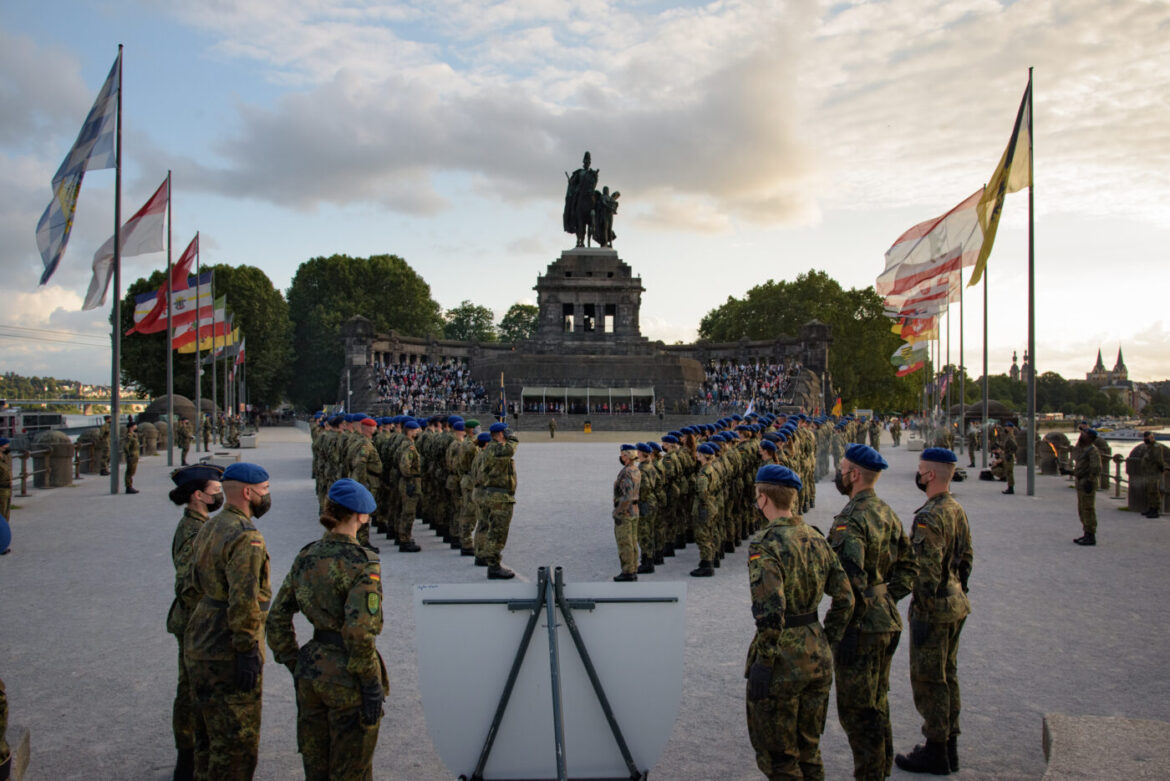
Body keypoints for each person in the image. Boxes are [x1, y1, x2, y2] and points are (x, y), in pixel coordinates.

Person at [267, 479, 388, 781]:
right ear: (361, 516)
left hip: (311, 668)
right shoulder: (363, 564)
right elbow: (360, 633)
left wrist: (294, 660)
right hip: (347, 674)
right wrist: (370, 682)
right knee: (351, 770)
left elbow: (277, 616)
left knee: (316, 765)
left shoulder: (307, 555)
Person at [745, 464, 853, 780]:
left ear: (763, 498)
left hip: (782, 658)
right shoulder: (816, 537)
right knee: (809, 750)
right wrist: (826, 640)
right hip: (816, 651)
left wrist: (764, 661)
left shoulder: (765, 544)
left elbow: (771, 611)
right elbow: (846, 598)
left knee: (780, 759)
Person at [828, 444, 917, 781]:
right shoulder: (885, 511)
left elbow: (846, 587)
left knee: (858, 712)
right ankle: (880, 769)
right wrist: (884, 597)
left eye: (841, 467)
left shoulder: (850, 520)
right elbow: (909, 567)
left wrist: (836, 631)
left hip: (860, 627)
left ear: (854, 474)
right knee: (876, 703)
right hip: (883, 620)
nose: (838, 473)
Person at [182, 462, 273, 781]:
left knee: (206, 739)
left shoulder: (209, 525)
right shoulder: (247, 537)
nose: (267, 496)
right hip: (227, 647)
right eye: (264, 491)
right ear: (248, 493)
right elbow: (244, 600)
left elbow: (193, 582)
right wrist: (248, 650)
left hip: (201, 637)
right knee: (236, 746)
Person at [895, 448, 973, 775]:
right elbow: (966, 558)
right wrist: (957, 588)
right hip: (955, 601)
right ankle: (949, 745)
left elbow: (924, 572)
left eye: (920, 469)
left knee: (930, 680)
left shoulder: (929, 516)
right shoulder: (955, 508)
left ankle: (936, 750)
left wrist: (924, 609)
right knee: (948, 675)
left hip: (934, 608)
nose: (918, 473)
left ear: (930, 475)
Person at [165, 463, 225, 781]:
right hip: (194, 622)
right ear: (198, 496)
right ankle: (186, 760)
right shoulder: (193, 531)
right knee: (190, 690)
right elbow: (187, 583)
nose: (220, 496)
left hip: (197, 621)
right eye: (216, 492)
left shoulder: (200, 525)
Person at [477, 422, 518, 579]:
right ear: (500, 434)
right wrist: (512, 437)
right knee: (498, 532)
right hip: (499, 497)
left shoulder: (491, 448)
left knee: (495, 530)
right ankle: (493, 566)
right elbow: (510, 449)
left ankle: (492, 562)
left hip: (496, 495)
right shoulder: (496, 448)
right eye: (505, 432)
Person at [612, 444, 642, 582]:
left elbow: (626, 497)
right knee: (632, 541)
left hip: (626, 512)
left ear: (627, 456)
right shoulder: (636, 470)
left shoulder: (626, 473)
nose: (621, 457)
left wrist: (618, 512)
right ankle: (633, 568)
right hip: (634, 511)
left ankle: (628, 571)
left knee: (625, 542)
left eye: (623, 454)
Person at [1072, 429, 1101, 546]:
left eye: (1084, 434)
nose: (1081, 435)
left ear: (1089, 437)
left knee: (1088, 509)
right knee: (1082, 509)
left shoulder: (1093, 451)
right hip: (1081, 481)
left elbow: (1096, 467)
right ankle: (1086, 533)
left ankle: (1091, 535)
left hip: (1087, 482)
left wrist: (1090, 480)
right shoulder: (1084, 449)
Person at [1141, 431, 1164, 519]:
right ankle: (1151, 508)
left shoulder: (1156, 447)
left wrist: (1161, 469)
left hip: (1154, 473)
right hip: (1148, 473)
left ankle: (1155, 510)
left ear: (1151, 437)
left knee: (1154, 491)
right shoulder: (1149, 447)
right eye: (1144, 438)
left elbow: (1158, 459)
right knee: (1149, 491)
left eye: (1147, 438)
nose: (1145, 439)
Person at [123, 419, 141, 494]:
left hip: (135, 456)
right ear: (131, 427)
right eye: (135, 425)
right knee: (129, 472)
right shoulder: (129, 436)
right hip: (132, 456)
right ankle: (128, 487)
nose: (136, 426)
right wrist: (129, 454)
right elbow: (125, 446)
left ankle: (130, 486)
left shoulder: (134, 434)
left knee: (132, 472)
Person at [1001, 421, 1017, 495]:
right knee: (1008, 471)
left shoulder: (1010, 436)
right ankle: (1009, 486)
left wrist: (1010, 454)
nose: (1005, 428)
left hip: (1009, 456)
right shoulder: (1008, 435)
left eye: (1006, 427)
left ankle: (1011, 488)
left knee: (1009, 472)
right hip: (1007, 455)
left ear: (1010, 428)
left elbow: (1015, 446)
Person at [0, 439, 11, 522]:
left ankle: (5, 530)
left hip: (8, 488)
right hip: (1, 489)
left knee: (6, 512)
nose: (8, 447)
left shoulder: (6, 456)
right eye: (6, 445)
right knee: (2, 512)